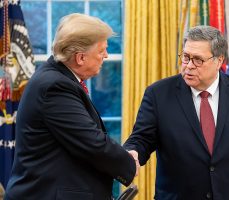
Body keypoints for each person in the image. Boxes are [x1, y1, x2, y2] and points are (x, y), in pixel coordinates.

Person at [124, 25, 229, 199]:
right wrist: (132, 152)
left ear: (219, 61)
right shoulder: (158, 93)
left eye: (198, 60)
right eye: (186, 57)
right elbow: (142, 138)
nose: (188, 66)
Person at [4, 13, 137, 200]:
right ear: (80, 57)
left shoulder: (57, 79)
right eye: (101, 51)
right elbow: (91, 142)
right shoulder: (54, 86)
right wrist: (128, 162)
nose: (106, 56)